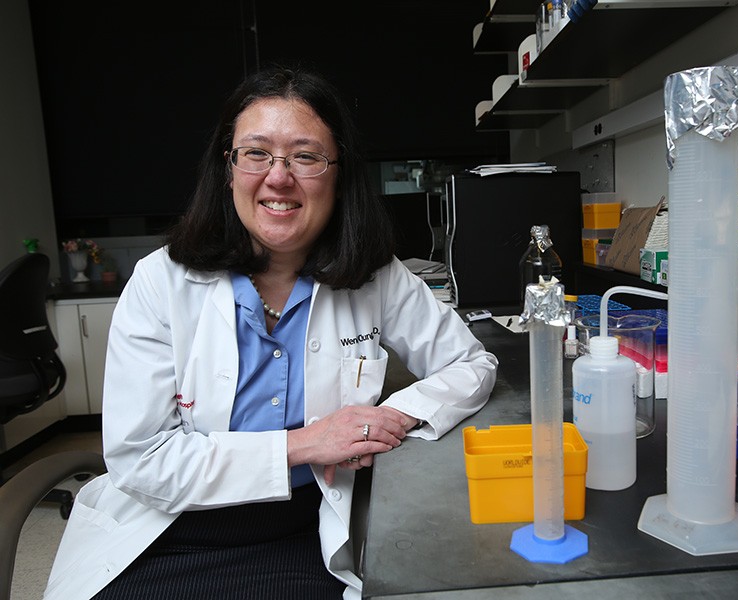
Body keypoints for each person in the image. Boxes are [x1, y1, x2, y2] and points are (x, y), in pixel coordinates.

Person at [44, 64, 498, 600]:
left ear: (338, 172)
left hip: (301, 531)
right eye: (256, 153)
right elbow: (141, 459)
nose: (278, 177)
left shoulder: (375, 276)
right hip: (165, 528)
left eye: (305, 156)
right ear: (228, 167)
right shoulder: (161, 281)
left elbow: (472, 364)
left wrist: (386, 418)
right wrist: (305, 444)